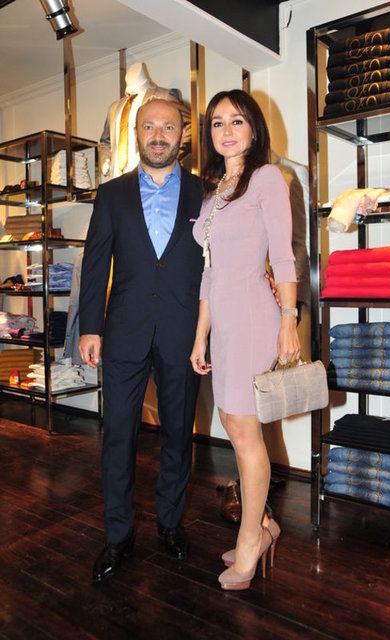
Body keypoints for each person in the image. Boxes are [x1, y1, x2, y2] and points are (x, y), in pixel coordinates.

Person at [79, 98, 204, 583]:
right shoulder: (111, 195)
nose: (158, 135)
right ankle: (118, 534)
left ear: (181, 135)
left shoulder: (204, 193)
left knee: (178, 434)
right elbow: (95, 265)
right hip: (123, 332)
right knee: (117, 436)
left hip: (183, 333)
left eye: (167, 127)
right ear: (137, 134)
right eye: (149, 126)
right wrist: (90, 327)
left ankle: (169, 523)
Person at [190, 89, 301, 591]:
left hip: (256, 316)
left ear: (254, 129)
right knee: (235, 428)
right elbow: (209, 272)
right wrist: (201, 336)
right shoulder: (214, 193)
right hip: (225, 323)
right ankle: (262, 526)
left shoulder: (266, 178)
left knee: (243, 430)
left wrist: (288, 319)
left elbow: (283, 254)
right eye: (217, 123)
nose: (227, 131)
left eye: (237, 121)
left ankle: (251, 538)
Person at [99, 62, 191, 181]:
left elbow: (192, 127)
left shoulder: (165, 96)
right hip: (117, 180)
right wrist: (105, 159)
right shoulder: (114, 108)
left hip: (152, 179)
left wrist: (169, 156)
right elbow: (105, 141)